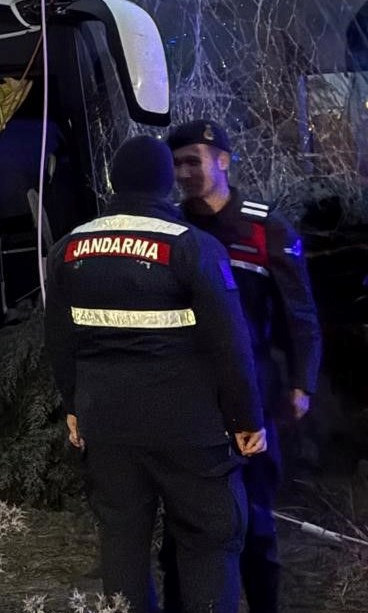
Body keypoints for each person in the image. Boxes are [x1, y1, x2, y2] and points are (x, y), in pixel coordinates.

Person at [46, 136, 266, 613]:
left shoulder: (68, 249)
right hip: (191, 430)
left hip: (108, 426)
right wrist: (247, 418)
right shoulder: (192, 247)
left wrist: (73, 407)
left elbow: (61, 341)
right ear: (167, 183)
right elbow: (230, 343)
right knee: (210, 540)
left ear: (112, 182)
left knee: (122, 541)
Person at [160, 120, 323, 613]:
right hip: (183, 395)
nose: (183, 172)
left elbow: (300, 314)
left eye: (194, 160)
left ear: (223, 161)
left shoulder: (265, 227)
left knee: (254, 520)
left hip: (253, 393)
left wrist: (302, 384)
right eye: (177, 163)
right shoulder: (169, 228)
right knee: (180, 524)